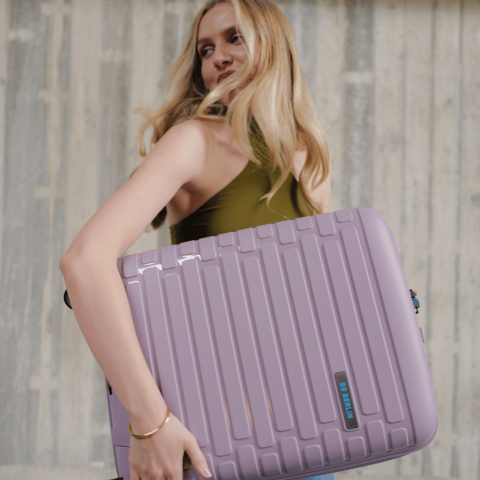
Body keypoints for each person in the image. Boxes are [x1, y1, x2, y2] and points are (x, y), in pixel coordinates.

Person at [59, 1, 333, 480]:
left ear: (275, 44)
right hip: (214, 436)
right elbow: (84, 262)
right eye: (206, 50)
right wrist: (150, 422)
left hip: (310, 430)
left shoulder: (307, 156)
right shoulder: (195, 141)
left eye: (234, 38)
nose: (217, 57)